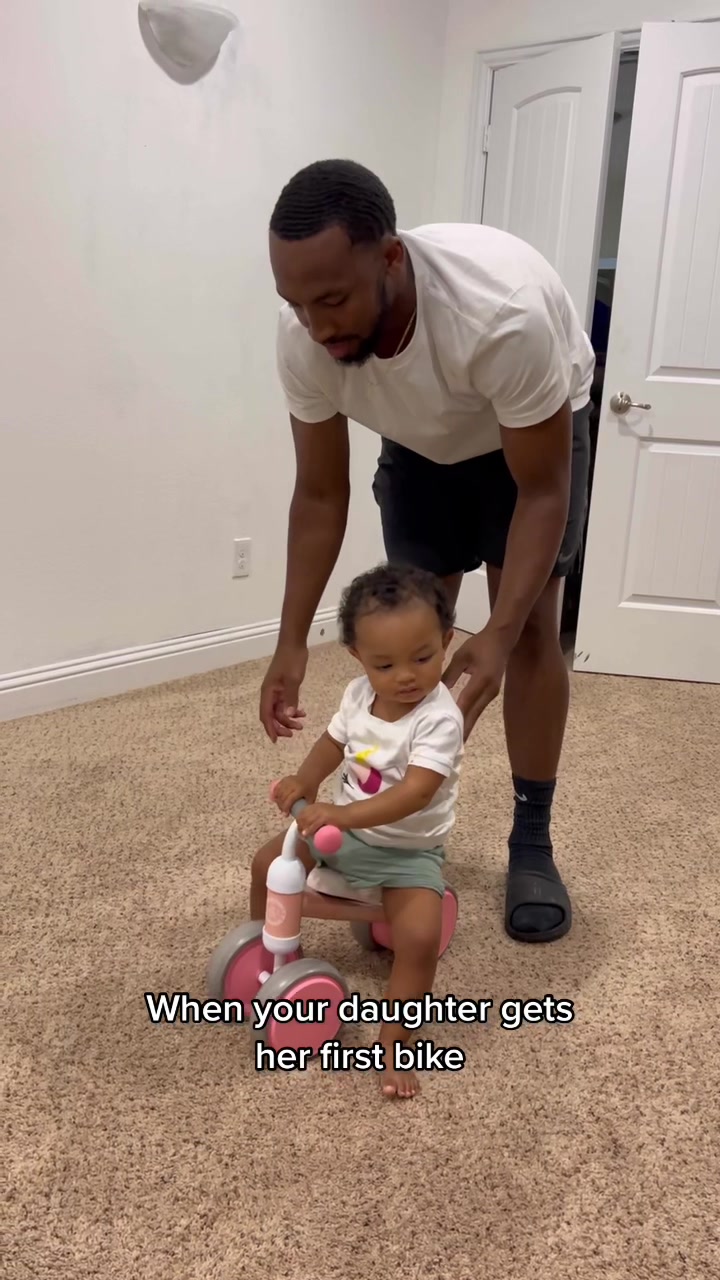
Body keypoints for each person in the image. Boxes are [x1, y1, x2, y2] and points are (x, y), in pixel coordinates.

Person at [261, 158, 596, 946]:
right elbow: (320, 494)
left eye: (332, 300)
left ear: (390, 257)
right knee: (414, 635)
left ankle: (532, 840)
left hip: (528, 441)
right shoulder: (305, 336)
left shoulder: (502, 315)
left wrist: (499, 632)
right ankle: (400, 846)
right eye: (297, 303)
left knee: (528, 632)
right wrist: (290, 640)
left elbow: (542, 492)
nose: (316, 326)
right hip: (418, 442)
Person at [251, 563, 464, 1099]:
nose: (405, 676)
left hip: (407, 853)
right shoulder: (356, 695)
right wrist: (305, 779)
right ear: (357, 657)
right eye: (384, 664)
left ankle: (396, 1041)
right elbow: (332, 743)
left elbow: (415, 793)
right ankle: (267, 960)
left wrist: (341, 815)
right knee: (266, 865)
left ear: (447, 640)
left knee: (419, 938)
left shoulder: (439, 719)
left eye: (423, 657)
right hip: (340, 835)